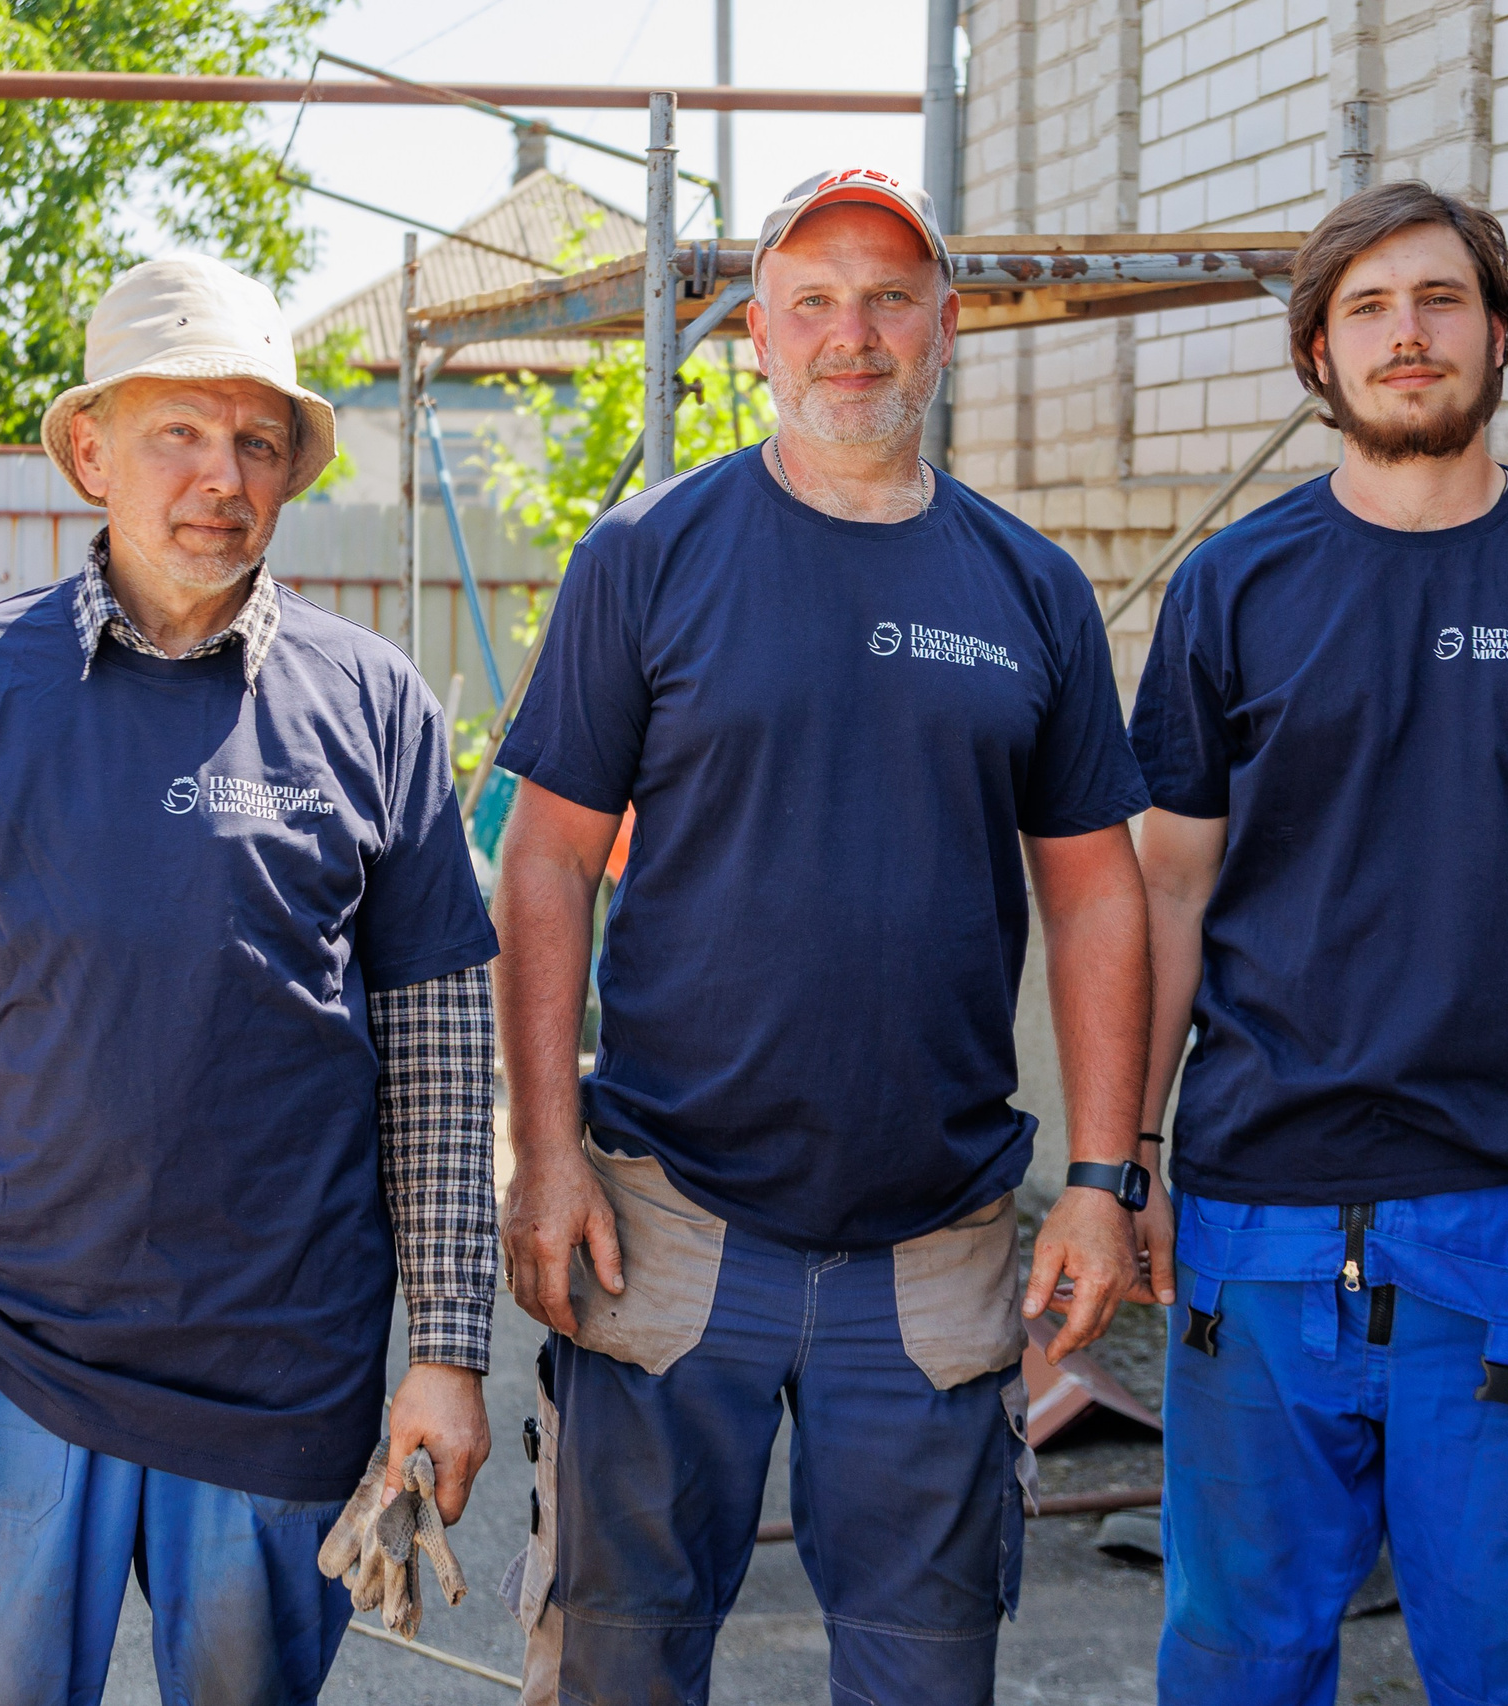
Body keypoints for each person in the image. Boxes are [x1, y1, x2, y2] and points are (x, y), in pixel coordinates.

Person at [491, 167, 1158, 1705]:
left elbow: (1097, 891)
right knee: (616, 1666)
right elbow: (547, 861)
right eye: (812, 301)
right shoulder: (648, 553)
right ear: (760, 337)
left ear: (945, 327)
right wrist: (546, 1151)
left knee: (926, 1675)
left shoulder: (1032, 588)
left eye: (888, 299)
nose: (851, 335)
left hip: (932, 1247)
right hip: (664, 1222)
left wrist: (1104, 1178)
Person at [0, 254, 501, 1704]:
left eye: (256, 440)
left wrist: (448, 1352)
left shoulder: (374, 703)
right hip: (18, 1365)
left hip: (285, 1375)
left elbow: (443, 1066)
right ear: (89, 453)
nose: (221, 476)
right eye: (177, 432)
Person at [1127, 180, 1508, 1703]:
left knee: (1504, 1665)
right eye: (1369, 308)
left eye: (1442, 300)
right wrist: (1124, 1161)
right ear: (1317, 354)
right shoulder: (1229, 588)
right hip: (1255, 1222)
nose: (1408, 334)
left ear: (1500, 333)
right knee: (1238, 1657)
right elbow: (1168, 890)